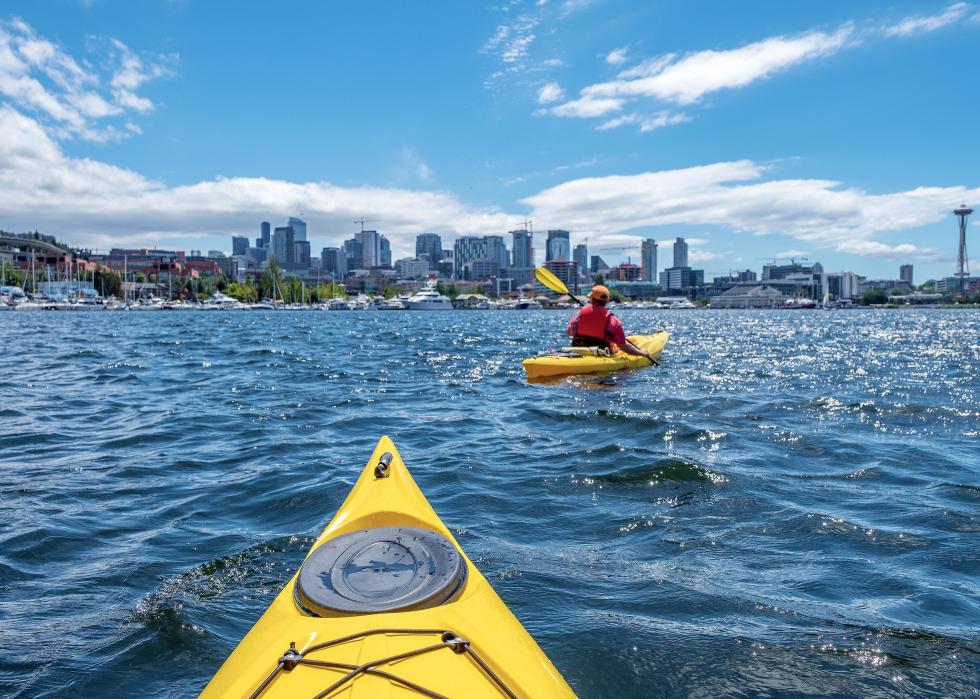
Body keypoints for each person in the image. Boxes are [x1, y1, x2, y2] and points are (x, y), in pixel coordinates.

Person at [567, 284, 653, 360]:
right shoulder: (613, 320)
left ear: (592, 298)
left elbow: (570, 332)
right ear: (607, 301)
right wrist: (642, 353)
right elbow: (624, 347)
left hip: (578, 350)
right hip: (601, 354)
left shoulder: (580, 313)